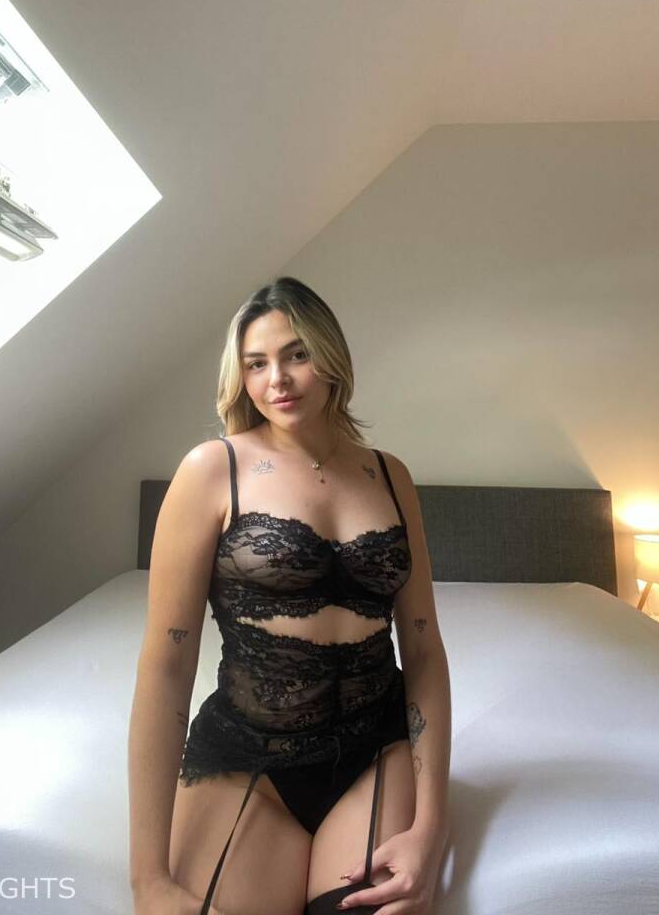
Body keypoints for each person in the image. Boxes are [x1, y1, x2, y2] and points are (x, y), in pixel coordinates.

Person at [128, 277, 452, 914]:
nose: (277, 378)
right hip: (248, 755)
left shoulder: (390, 476)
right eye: (256, 363)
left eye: (296, 354)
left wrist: (430, 828)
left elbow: (423, 651)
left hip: (376, 749)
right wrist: (148, 879)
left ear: (331, 357)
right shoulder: (212, 470)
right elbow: (166, 664)